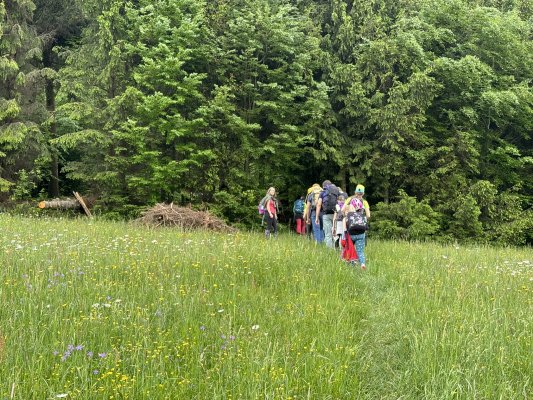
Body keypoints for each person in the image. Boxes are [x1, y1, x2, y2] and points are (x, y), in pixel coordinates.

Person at [343, 197, 368, 270]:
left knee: (350, 250)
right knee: (360, 251)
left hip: (351, 235)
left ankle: (352, 263)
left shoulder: (348, 215)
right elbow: (366, 227)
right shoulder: (362, 215)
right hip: (361, 234)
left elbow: (345, 228)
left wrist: (346, 236)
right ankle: (362, 264)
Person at [315, 180, 337, 248]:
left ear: (323, 186)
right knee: (335, 232)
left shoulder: (322, 193)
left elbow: (318, 205)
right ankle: (337, 249)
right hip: (335, 214)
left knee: (328, 234)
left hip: (326, 214)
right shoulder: (336, 192)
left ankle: (330, 251)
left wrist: (317, 217)